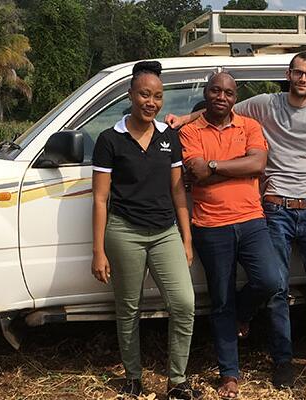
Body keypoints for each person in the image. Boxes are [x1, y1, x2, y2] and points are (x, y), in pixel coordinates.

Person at [167, 52, 306, 388]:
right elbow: (218, 115)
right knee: (255, 294)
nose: (302, 79)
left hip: (303, 207)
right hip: (266, 208)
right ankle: (268, 365)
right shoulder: (263, 105)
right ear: (288, 74)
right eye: (297, 73)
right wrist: (187, 120)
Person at [91, 61, 201, 400]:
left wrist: (186, 236)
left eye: (157, 96)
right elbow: (99, 198)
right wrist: (98, 251)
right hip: (125, 231)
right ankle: (133, 376)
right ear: (130, 95)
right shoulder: (110, 140)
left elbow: (178, 191)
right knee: (128, 307)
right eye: (144, 94)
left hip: (165, 230)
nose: (150, 102)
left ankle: (178, 381)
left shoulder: (169, 137)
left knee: (184, 303)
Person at [179, 72, 281, 399]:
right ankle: (229, 374)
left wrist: (213, 166)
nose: (221, 96)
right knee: (220, 299)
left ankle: (243, 313)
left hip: (251, 219)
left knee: (270, 280)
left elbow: (258, 165)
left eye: (228, 92)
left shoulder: (249, 126)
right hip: (210, 225)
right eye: (215, 90)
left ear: (235, 97)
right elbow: (195, 173)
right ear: (206, 93)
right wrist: (235, 164)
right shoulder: (191, 130)